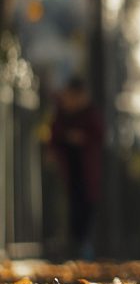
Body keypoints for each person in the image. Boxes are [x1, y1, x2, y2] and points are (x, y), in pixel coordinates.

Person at [50, 76, 103, 260]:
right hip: (67, 172)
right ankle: (71, 246)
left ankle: (83, 245)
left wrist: (83, 138)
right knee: (69, 210)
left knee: (86, 209)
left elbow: (99, 136)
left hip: (86, 173)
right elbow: (54, 138)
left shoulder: (90, 114)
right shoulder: (62, 114)